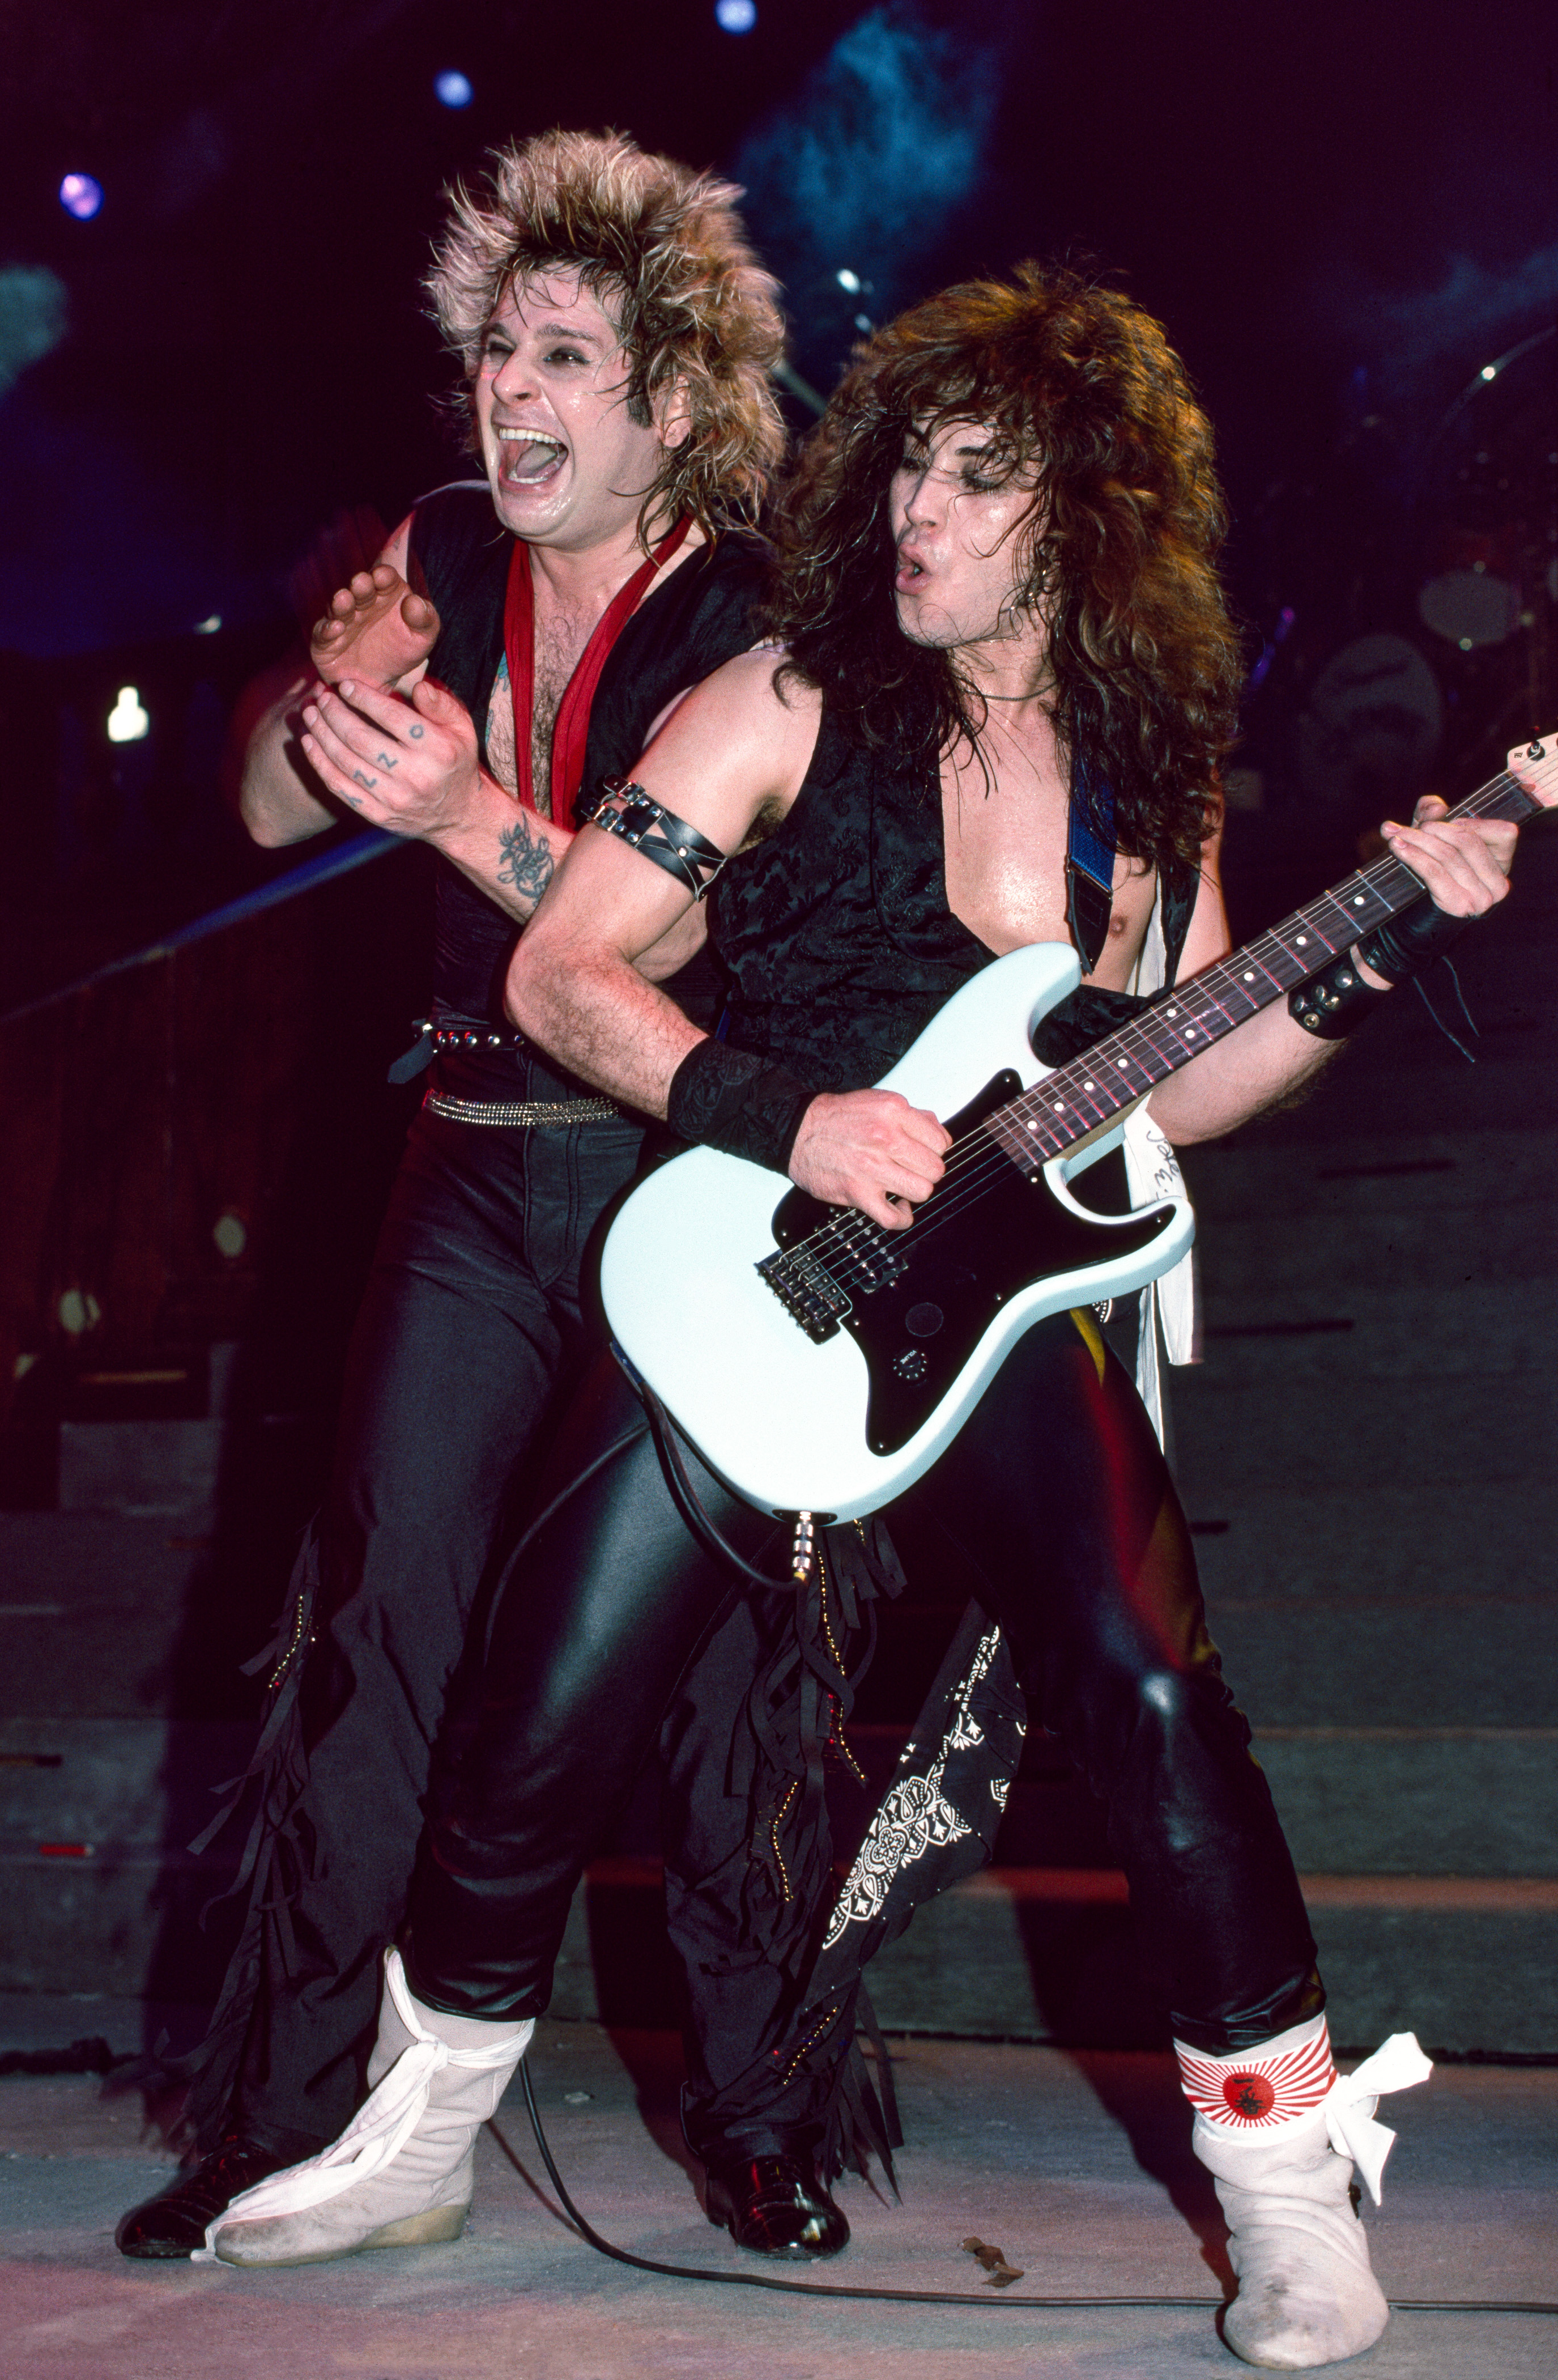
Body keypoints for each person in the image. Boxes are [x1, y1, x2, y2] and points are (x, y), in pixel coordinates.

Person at [201, 266, 1540, 2371]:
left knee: (1158, 1694)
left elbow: (1178, 1074)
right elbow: (564, 971)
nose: (917, 505)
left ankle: (1285, 2183)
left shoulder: (1148, 754)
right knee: (536, 1723)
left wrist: (1363, 961)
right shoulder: (783, 697)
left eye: (977, 477)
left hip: (1008, 1305)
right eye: (912, 458)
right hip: (761, 1271)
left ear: (1083, 512)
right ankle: (425, 2127)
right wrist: (781, 1114)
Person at [114, 127, 829, 2263]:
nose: (512, 392)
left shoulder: (754, 621)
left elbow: (661, 953)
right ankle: (287, 2118)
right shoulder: (440, 535)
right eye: (499, 350)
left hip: (677, 1179)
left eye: (568, 356)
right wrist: (327, 703)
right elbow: (257, 808)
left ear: (672, 401)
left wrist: (453, 810)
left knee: (704, 1673)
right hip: (466, 1171)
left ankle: (764, 2114)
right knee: (373, 1634)